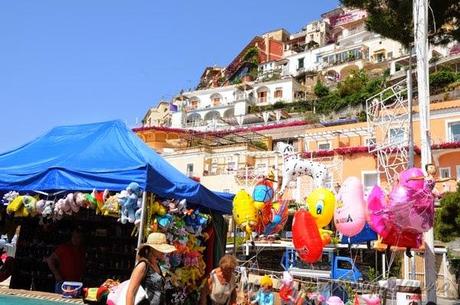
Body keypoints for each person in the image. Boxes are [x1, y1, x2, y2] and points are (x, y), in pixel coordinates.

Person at [126, 232, 176, 305]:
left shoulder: (156, 265)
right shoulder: (143, 265)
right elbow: (131, 292)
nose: (163, 252)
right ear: (152, 249)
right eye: (160, 249)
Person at [46, 227, 85, 293]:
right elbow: (50, 260)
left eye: (78, 237)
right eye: (73, 236)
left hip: (76, 283)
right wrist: (56, 274)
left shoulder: (81, 250)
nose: (75, 239)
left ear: (81, 239)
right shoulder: (64, 247)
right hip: (63, 282)